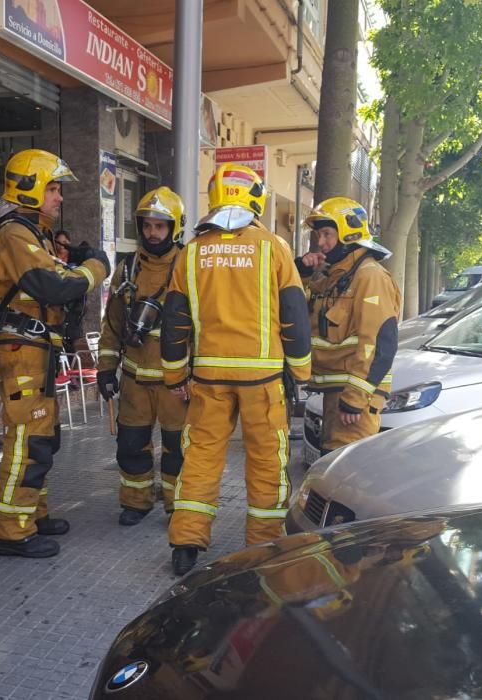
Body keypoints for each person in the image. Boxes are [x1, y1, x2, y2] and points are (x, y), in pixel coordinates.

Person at [160, 163, 312, 575]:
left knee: (201, 458)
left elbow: (174, 322)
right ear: (255, 198)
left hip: (208, 378)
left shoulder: (192, 253)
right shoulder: (273, 248)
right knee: (266, 461)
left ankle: (186, 543)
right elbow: (295, 316)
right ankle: (262, 549)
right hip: (261, 381)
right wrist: (301, 373)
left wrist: (174, 376)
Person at [0, 148, 110, 558]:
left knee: (42, 437)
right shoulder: (15, 235)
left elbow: (54, 278)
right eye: (52, 188)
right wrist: (96, 269)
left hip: (36, 351)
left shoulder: (30, 233)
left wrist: (75, 263)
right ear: (30, 187)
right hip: (23, 352)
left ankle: (32, 516)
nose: (58, 197)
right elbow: (54, 287)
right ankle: (11, 531)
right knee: (26, 441)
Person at [96, 187, 188, 526]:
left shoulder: (189, 266)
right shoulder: (128, 268)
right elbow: (113, 324)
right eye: (147, 225)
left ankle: (178, 507)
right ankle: (136, 501)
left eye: (160, 226)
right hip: (135, 380)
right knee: (131, 445)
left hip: (176, 384)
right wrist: (106, 369)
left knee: (177, 450)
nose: (152, 233)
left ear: (175, 227)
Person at [296, 197, 401, 456]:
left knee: (347, 473)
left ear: (349, 231)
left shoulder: (369, 276)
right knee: (332, 469)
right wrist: (302, 272)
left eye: (327, 234)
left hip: (356, 403)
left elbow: (378, 343)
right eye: (320, 235)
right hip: (338, 395)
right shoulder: (339, 276)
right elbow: (299, 305)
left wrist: (355, 400)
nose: (321, 243)